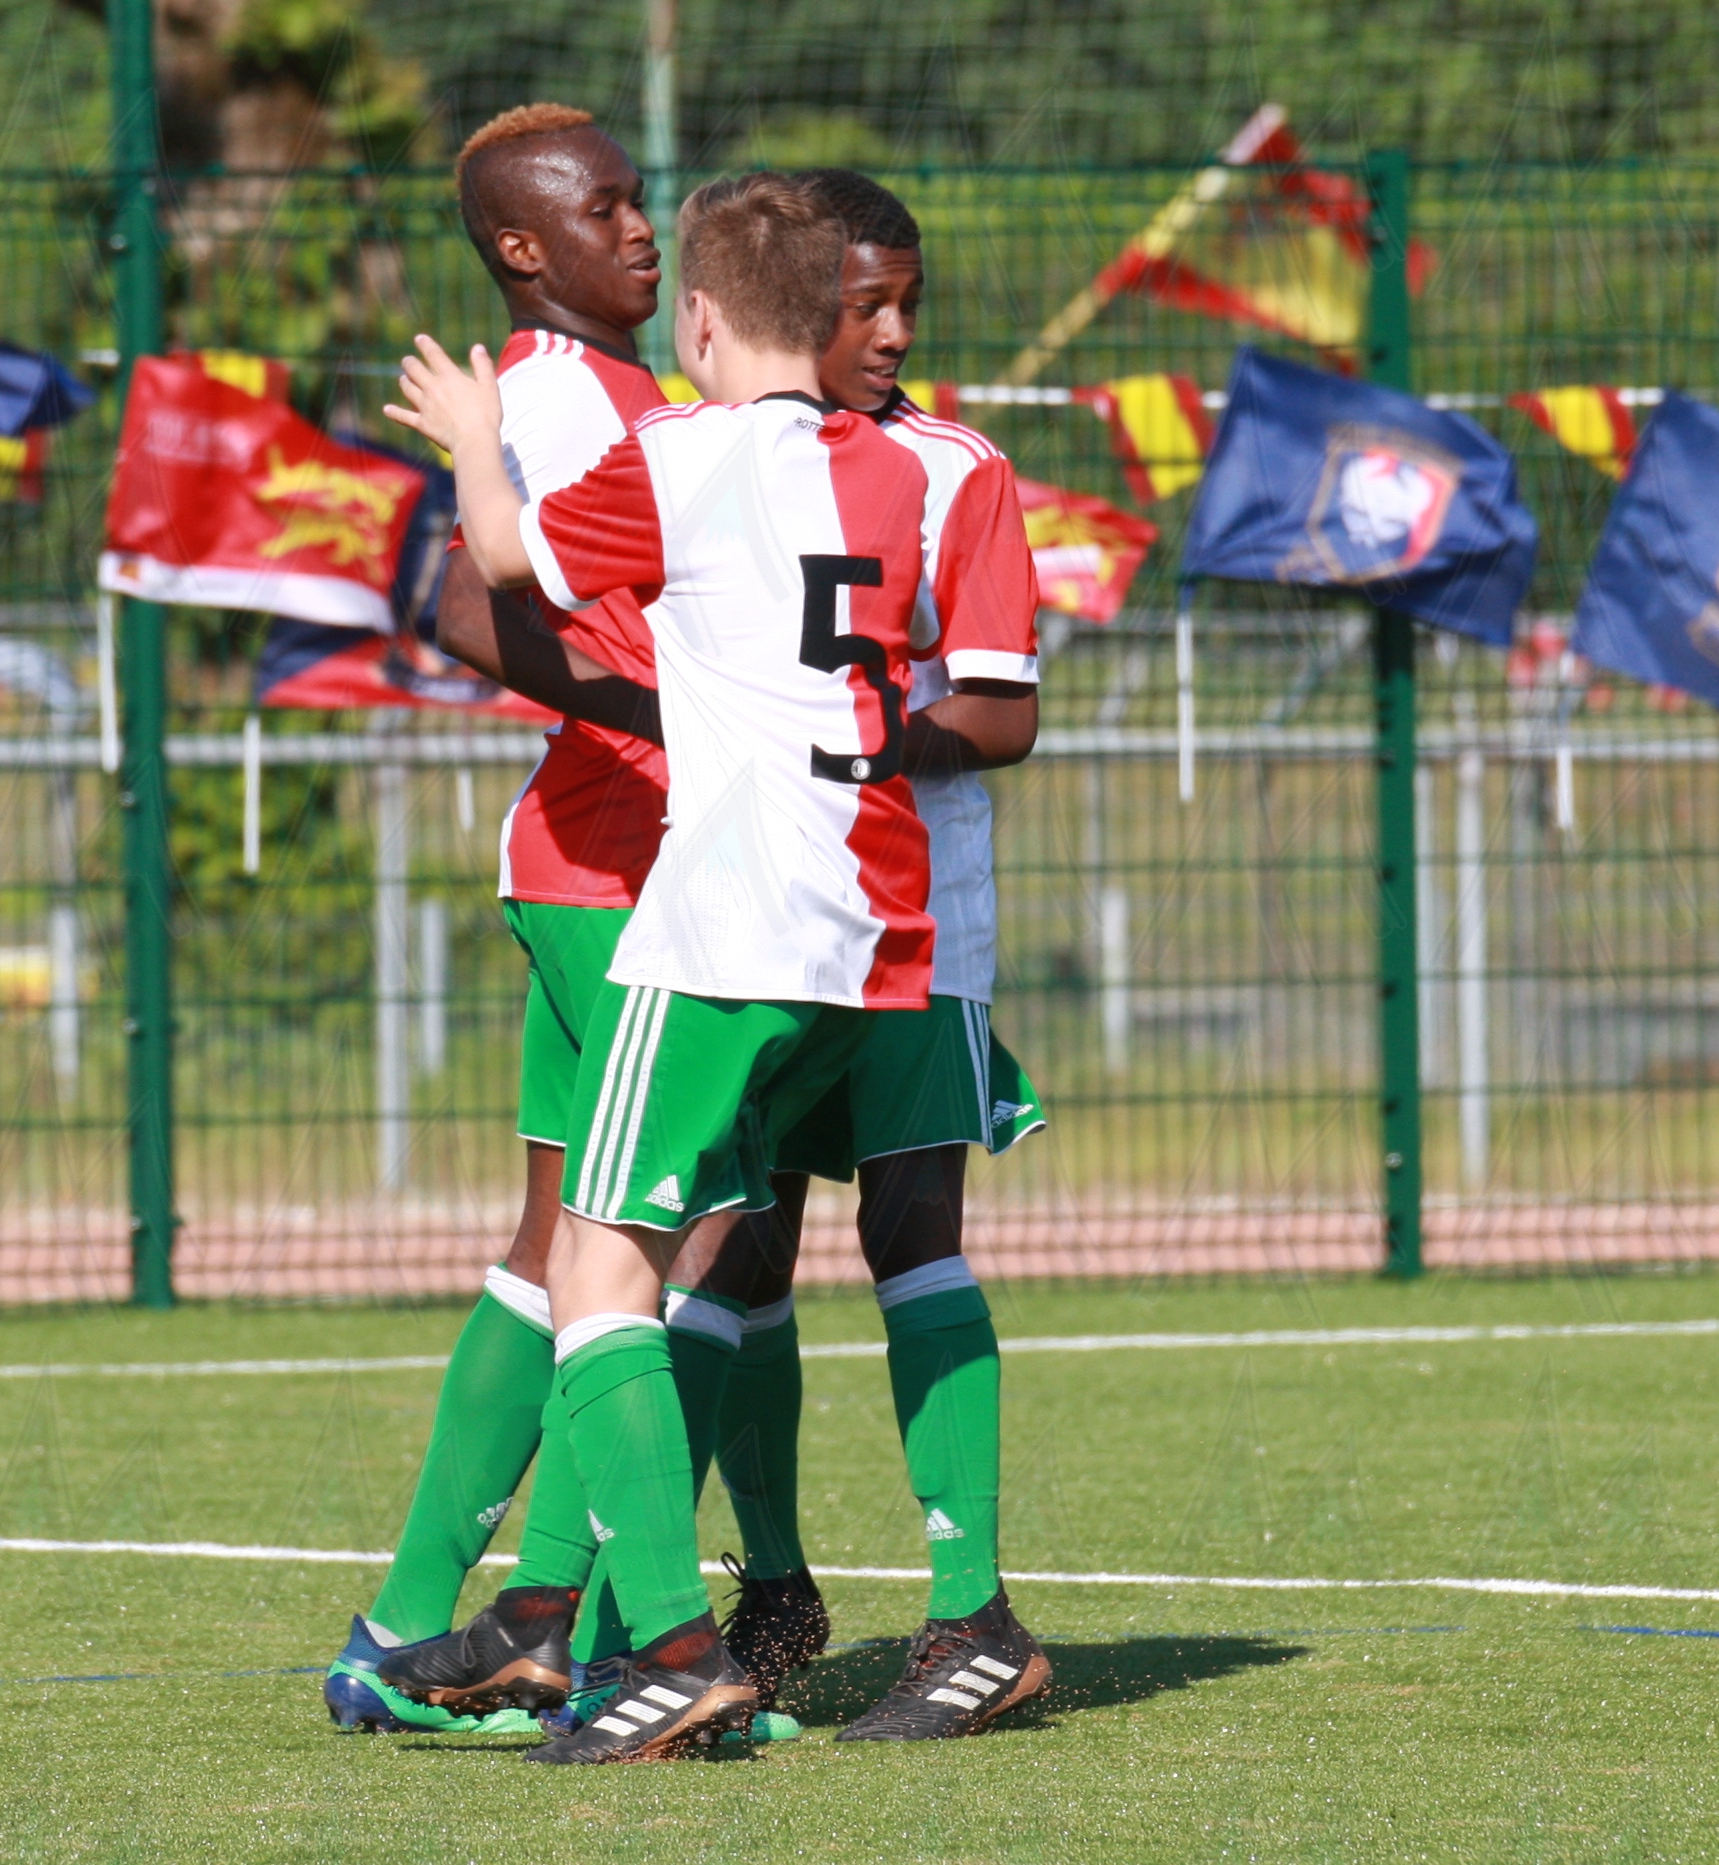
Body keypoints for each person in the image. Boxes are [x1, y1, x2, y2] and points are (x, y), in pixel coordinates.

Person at [390, 168, 969, 1762]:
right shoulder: (894, 469)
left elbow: (500, 558)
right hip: (873, 925)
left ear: (703, 321)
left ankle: (662, 1644)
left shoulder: (677, 454)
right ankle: (639, 1603)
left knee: (598, 1266)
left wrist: (471, 434)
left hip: (724, 915)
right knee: (731, 1247)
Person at [322, 100, 692, 1737]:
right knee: (672, 1239)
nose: (641, 226)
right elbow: (468, 601)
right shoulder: (551, 390)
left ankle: (411, 1626)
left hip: (596, 859)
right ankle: (585, 1630)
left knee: (562, 1242)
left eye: (641, 198)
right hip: (623, 863)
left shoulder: (623, 389)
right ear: (523, 248)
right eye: (603, 208)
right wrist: (672, 718)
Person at [742, 167, 1051, 1742]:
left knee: (911, 1224)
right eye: (863, 302)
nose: (892, 331)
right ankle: (771, 1592)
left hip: (921, 915)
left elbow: (1003, 706)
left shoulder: (955, 469)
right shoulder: (720, 455)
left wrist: (883, 738)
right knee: (736, 1241)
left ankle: (972, 1616)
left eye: (907, 302)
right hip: (756, 911)